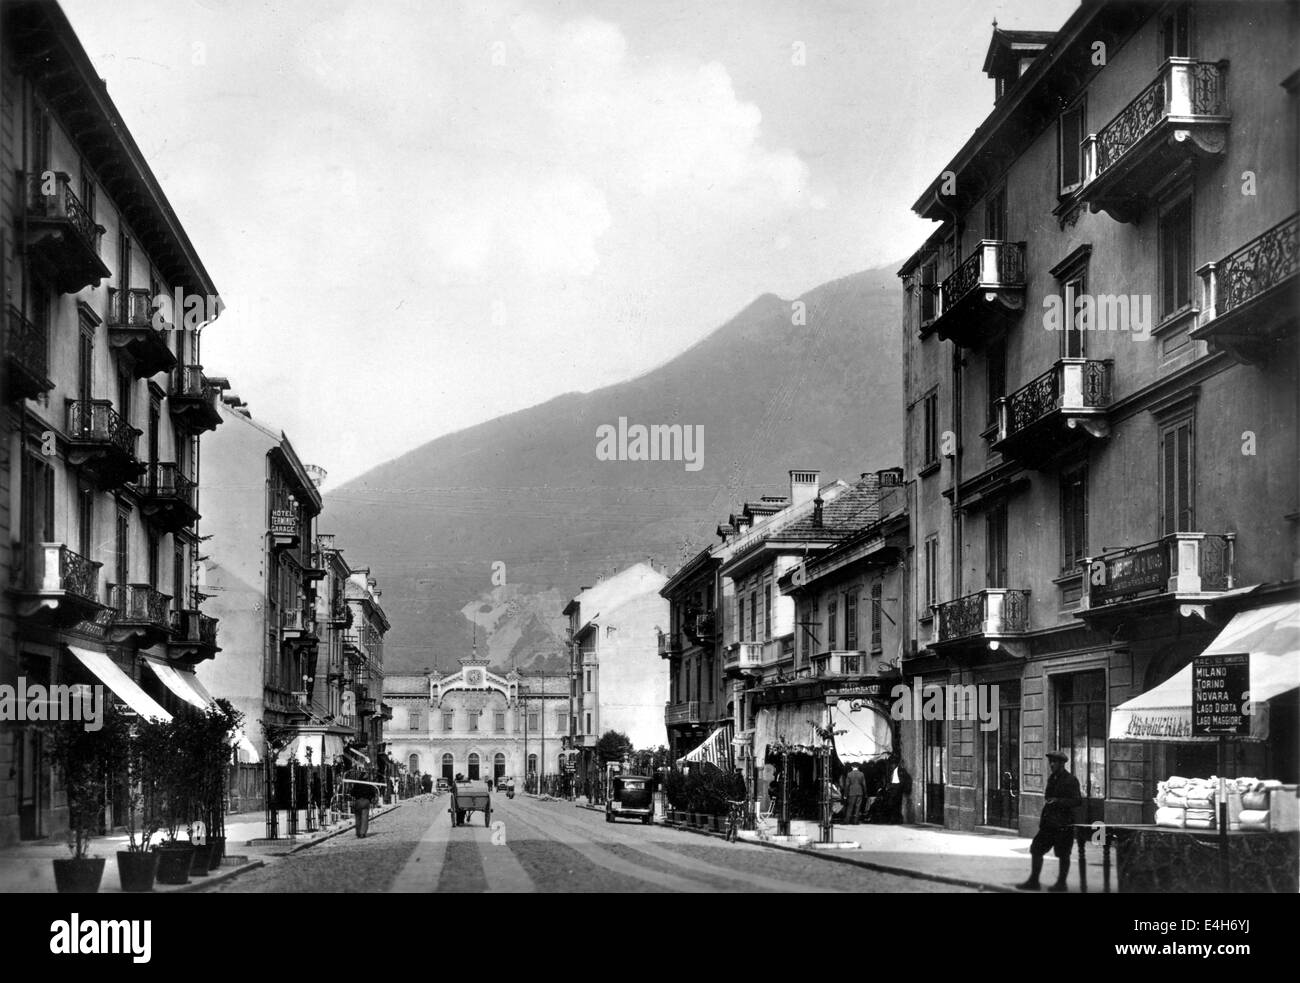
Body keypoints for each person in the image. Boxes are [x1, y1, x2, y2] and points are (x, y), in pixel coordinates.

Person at [1017, 751, 1082, 892]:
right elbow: (1048, 796)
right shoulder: (1052, 778)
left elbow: (1077, 801)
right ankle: (1034, 881)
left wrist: (1058, 801)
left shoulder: (1071, 780)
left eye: (1055, 762)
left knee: (1063, 854)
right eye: (1050, 762)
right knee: (1036, 849)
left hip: (1063, 824)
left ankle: (1061, 883)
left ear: (1062, 764)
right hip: (1049, 824)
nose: (1052, 764)